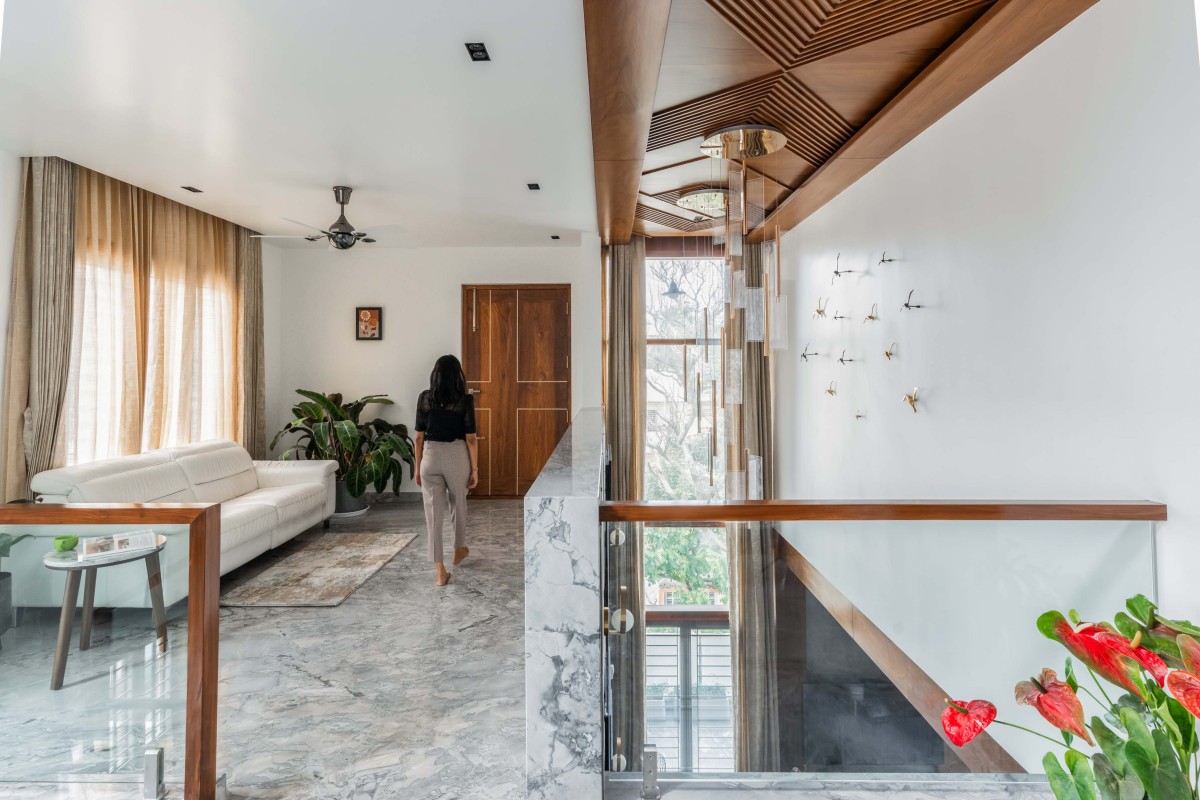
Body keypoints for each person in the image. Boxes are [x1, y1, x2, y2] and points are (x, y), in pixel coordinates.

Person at [413, 354, 478, 586]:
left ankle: (440, 571)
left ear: (436, 374)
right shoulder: (465, 400)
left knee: (432, 514)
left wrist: (418, 468)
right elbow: (471, 438)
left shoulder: (425, 398)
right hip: (456, 455)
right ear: (457, 375)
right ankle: (459, 549)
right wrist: (475, 469)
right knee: (458, 504)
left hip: (429, 456)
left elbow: (418, 438)